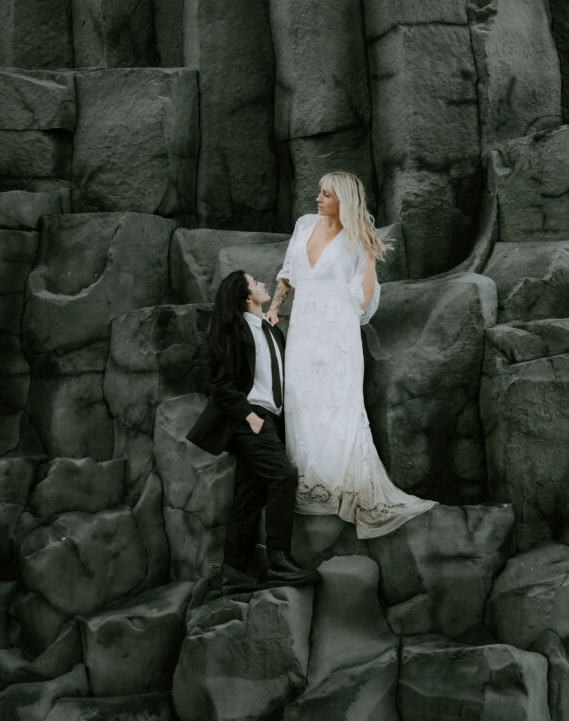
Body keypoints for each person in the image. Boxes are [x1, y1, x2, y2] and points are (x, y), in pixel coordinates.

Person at [264, 171, 436, 537]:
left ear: (344, 200)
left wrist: (370, 259)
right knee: (301, 400)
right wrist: (276, 307)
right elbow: (288, 274)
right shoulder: (304, 224)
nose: (318, 198)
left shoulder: (357, 238)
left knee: (337, 405)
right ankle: (312, 486)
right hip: (303, 330)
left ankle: (344, 485)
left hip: (336, 331)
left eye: (326, 194)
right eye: (319, 192)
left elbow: (363, 301)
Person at [187, 270, 320, 595]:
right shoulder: (235, 331)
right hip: (250, 418)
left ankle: (233, 570)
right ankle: (278, 561)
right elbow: (222, 385)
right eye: (255, 283)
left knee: (248, 496)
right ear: (246, 296)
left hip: (271, 419)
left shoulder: (272, 330)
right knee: (282, 478)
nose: (263, 284)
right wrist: (251, 418)